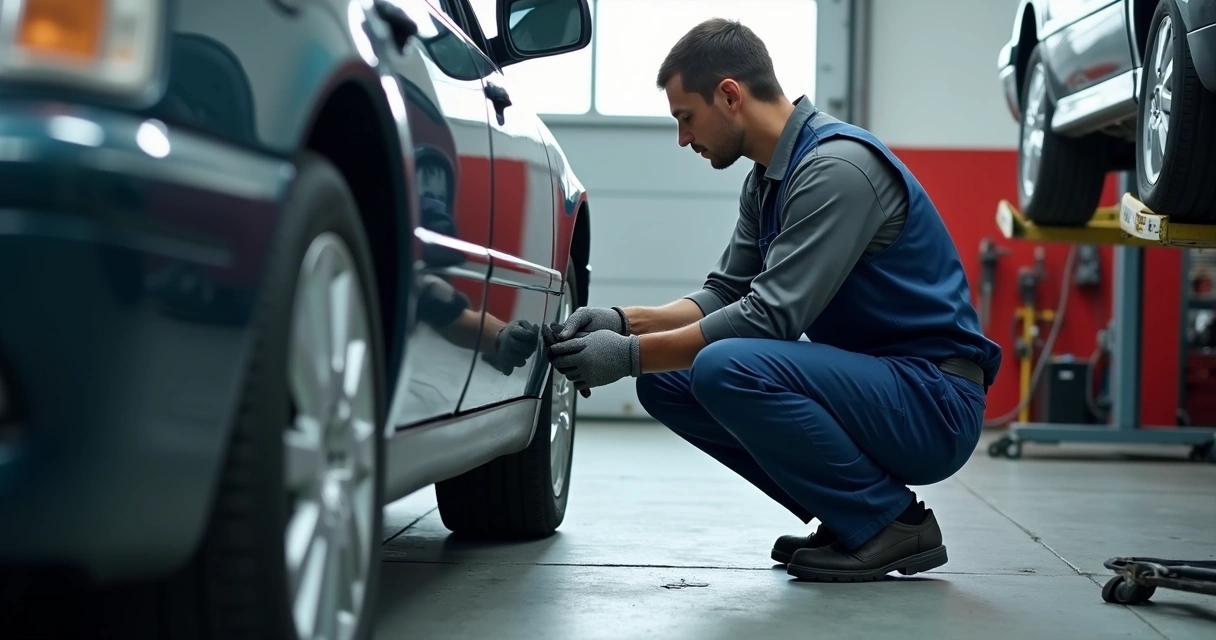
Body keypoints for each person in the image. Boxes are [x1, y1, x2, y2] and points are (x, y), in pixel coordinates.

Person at [541, 18, 1002, 582]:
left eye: (686, 118)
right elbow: (725, 294)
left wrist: (627, 354)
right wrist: (621, 322)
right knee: (664, 379)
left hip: (933, 401)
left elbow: (769, 319)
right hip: (883, 387)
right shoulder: (768, 179)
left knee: (723, 366)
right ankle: (849, 513)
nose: (683, 139)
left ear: (730, 95)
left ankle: (888, 524)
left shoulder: (836, 170)